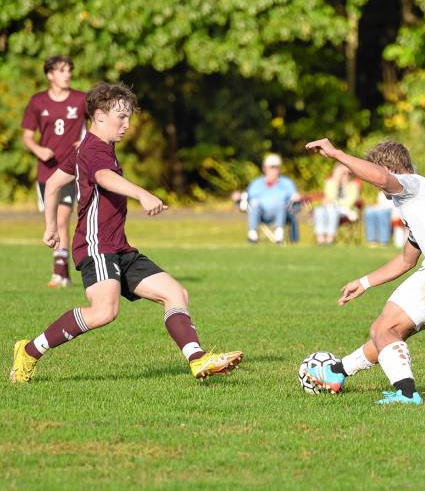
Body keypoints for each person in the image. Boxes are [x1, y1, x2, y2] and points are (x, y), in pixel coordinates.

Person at [9, 82, 243, 384]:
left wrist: (51, 227)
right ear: (99, 115)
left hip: (119, 247)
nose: (127, 124)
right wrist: (142, 194)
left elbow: (53, 184)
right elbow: (104, 177)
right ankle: (29, 351)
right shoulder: (93, 149)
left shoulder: (92, 148)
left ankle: (198, 360)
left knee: (175, 293)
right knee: (104, 311)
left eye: (129, 117)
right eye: (121, 117)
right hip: (97, 246)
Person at [303, 138, 425, 405]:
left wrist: (337, 154)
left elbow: (383, 178)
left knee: (382, 328)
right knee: (395, 331)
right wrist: (364, 282)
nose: (378, 189)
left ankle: (407, 393)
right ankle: (337, 372)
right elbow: (406, 260)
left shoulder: (412, 185)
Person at [21, 55, 88, 288]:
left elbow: (98, 123)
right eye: (61, 70)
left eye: (69, 70)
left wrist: (86, 141)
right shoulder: (38, 101)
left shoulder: (81, 99)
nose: (67, 74)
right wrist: (39, 150)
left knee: (62, 217)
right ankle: (63, 273)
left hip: (70, 168)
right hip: (46, 170)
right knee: (52, 220)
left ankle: (60, 273)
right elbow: (27, 136)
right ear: (50, 75)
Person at [246, 152, 301, 245]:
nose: (275, 170)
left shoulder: (287, 183)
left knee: (281, 204)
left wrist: (297, 197)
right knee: (255, 205)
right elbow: (247, 198)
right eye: (272, 167)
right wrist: (238, 196)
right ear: (264, 168)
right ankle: (253, 235)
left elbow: (295, 198)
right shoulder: (256, 183)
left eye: (277, 167)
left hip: (283, 214)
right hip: (262, 215)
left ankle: (279, 234)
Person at [313, 163, 361, 245]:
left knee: (333, 212)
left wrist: (335, 202)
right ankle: (320, 240)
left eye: (347, 173)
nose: (345, 176)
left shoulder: (353, 185)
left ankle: (329, 239)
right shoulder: (330, 183)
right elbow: (330, 196)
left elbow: (350, 202)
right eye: (342, 173)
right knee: (319, 211)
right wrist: (336, 181)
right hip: (329, 209)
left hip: (345, 211)